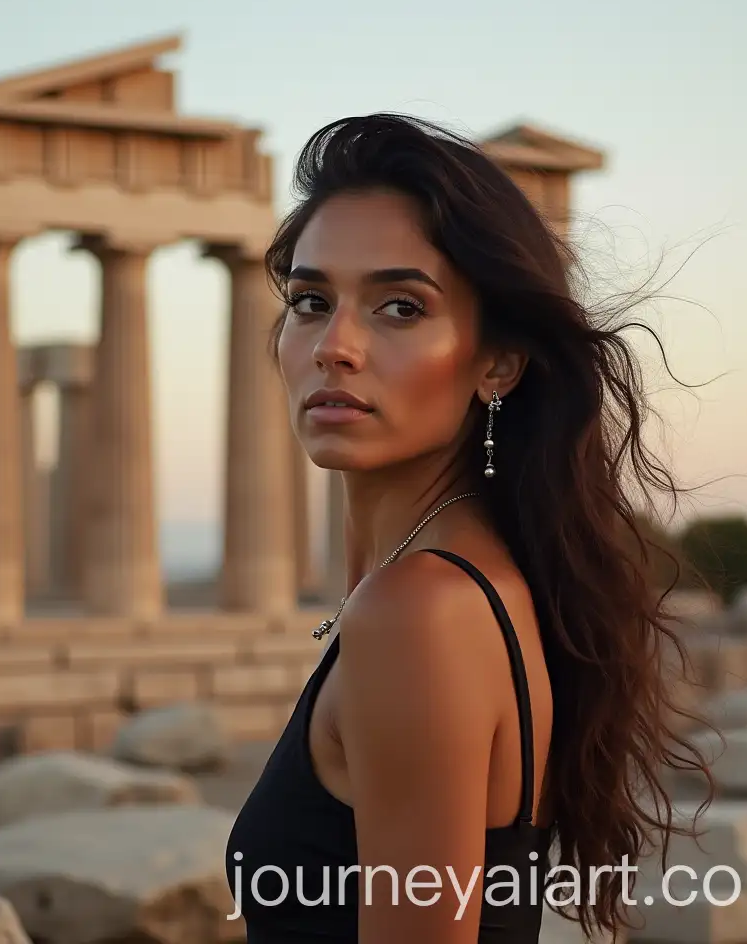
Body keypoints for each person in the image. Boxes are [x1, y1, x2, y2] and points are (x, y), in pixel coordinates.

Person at [224, 113, 710, 943]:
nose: (334, 345)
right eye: (311, 301)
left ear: (498, 363)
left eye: (400, 307)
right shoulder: (461, 579)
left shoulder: (420, 610)